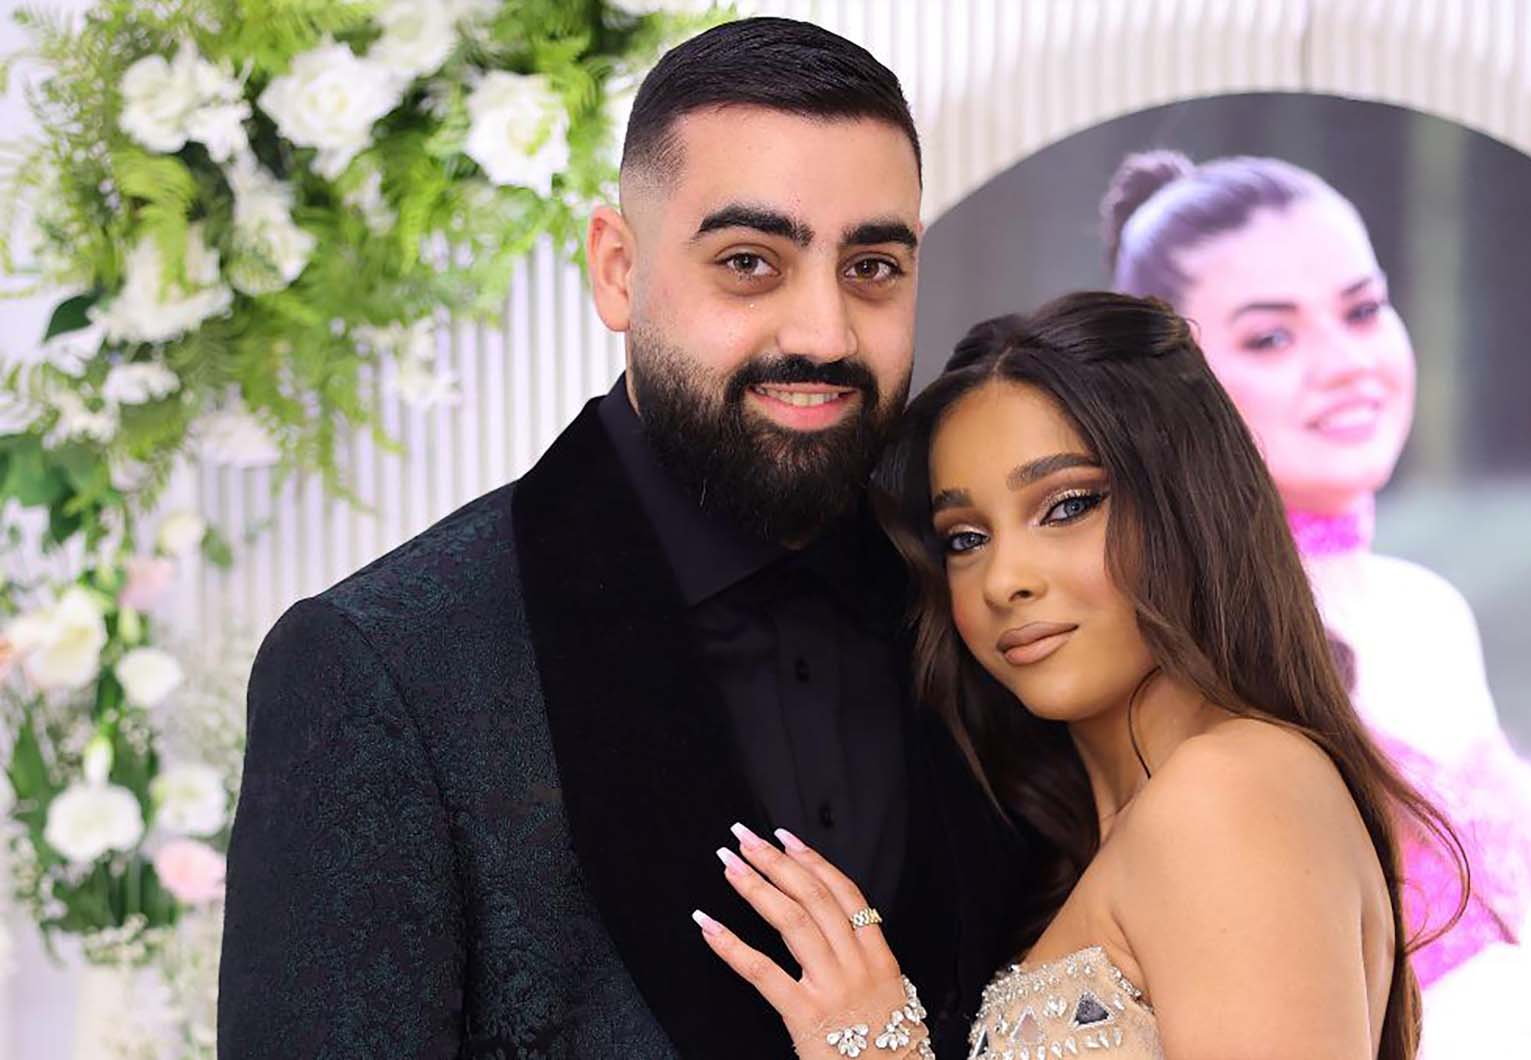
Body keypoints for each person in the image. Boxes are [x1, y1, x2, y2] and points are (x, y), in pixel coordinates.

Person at [218, 18, 1019, 1057]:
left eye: (871, 266)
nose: (824, 333)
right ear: (616, 268)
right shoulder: (380, 668)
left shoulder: (983, 603)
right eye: (749, 261)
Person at [699, 292, 1458, 1059]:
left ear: (1188, 503)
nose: (1005, 581)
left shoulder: (1226, 793)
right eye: (964, 539)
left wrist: (877, 1048)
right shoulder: (1112, 829)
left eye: (1066, 506)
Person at [1099, 151, 1531, 1056]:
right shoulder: (1173, 654)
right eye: (1271, 338)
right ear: (1165, 391)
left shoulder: (1426, 607)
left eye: (1361, 309)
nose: (1347, 364)